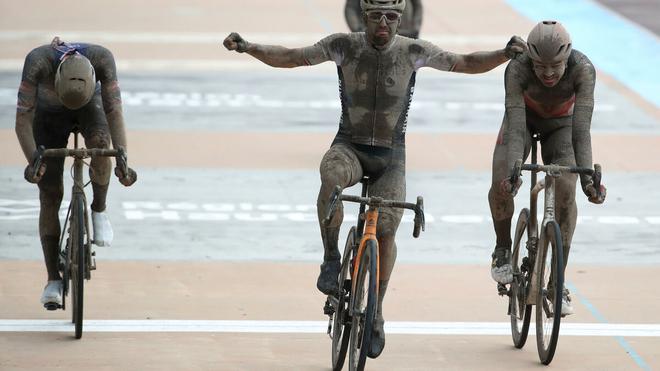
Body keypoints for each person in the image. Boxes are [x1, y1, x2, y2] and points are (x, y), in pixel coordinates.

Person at [224, 0, 525, 358]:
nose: (383, 23)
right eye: (376, 16)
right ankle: (331, 257)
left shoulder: (413, 50)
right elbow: (291, 56)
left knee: (385, 231)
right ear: (362, 17)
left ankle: (377, 311)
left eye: (392, 16)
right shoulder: (344, 45)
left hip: (390, 157)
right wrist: (249, 47)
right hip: (349, 147)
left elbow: (465, 63)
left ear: (402, 18)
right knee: (331, 177)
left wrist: (504, 54)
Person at [488, 21, 606, 315]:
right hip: (523, 121)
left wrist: (587, 180)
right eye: (540, 66)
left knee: (566, 192)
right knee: (502, 178)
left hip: (563, 127)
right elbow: (515, 126)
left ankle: (556, 282)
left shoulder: (583, 69)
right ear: (530, 59)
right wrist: (514, 173)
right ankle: (502, 248)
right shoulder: (516, 68)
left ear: (568, 58)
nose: (549, 73)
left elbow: (581, 131)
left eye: (556, 66)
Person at [15, 37, 137, 309]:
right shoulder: (37, 62)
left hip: (90, 107)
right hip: (48, 114)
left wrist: (122, 157)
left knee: (100, 145)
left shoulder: (103, 59)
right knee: (49, 193)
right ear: (55, 79)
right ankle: (52, 280)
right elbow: (23, 118)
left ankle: (99, 208)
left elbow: (114, 110)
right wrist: (34, 160)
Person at [345, 0, 423, 39]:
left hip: (404, 32)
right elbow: (351, 8)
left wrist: (415, 27)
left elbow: (417, 5)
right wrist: (357, 29)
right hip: (370, 32)